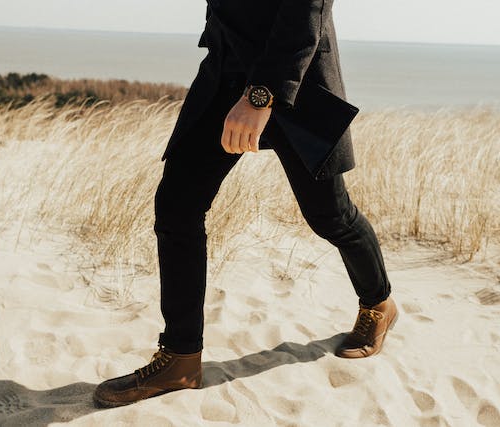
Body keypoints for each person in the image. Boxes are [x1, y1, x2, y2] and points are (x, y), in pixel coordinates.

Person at [93, 0, 397, 408]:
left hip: (296, 78)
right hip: (225, 72)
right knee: (177, 206)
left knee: (330, 216)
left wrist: (260, 97)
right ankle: (180, 359)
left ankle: (379, 304)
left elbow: (306, 8)